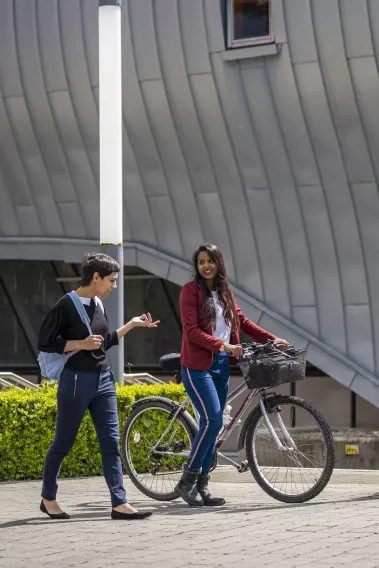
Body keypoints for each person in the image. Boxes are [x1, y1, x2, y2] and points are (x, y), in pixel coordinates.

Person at [38, 252, 160, 520]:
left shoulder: (98, 303)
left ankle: (119, 502)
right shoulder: (65, 305)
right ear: (96, 277)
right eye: (111, 281)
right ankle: (48, 497)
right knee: (63, 442)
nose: (113, 287)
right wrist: (80, 344)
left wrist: (131, 325)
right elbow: (45, 342)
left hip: (104, 380)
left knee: (111, 443)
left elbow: (103, 341)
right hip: (76, 381)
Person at [175, 243, 288, 507]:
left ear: (218, 263)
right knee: (213, 421)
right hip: (196, 365)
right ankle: (187, 481)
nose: (205, 266)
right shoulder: (190, 292)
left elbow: (242, 322)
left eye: (210, 261)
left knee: (213, 425)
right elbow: (190, 331)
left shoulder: (225, 292)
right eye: (201, 262)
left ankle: (202, 486)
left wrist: (272, 338)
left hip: (221, 365)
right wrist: (222, 345)